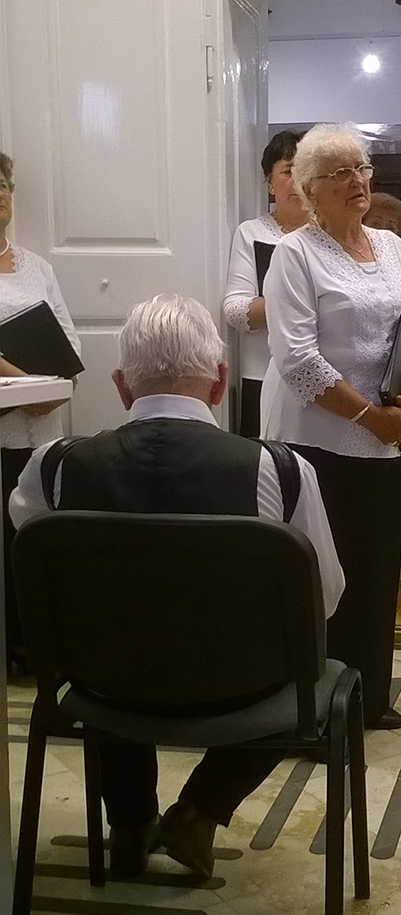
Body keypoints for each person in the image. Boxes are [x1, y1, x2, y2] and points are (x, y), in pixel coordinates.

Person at [10, 294, 344, 881]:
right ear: (220, 382)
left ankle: (129, 823)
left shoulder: (52, 466)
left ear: (121, 386)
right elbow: (325, 598)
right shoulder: (281, 470)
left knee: (113, 628)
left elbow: (44, 582)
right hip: (239, 693)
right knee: (310, 667)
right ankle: (200, 811)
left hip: (102, 687)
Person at [261, 124, 401, 730]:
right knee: (321, 577)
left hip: (386, 438)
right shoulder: (295, 254)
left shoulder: (392, 248)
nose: (358, 181)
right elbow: (298, 359)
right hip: (318, 442)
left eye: (362, 167)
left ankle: (367, 699)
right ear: (309, 189)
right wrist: (372, 417)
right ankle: (313, 706)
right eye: (340, 172)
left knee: (376, 568)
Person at [0, 152, 82, 671]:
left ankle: (38, 644)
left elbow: (69, 345)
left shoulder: (38, 268)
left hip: (43, 425)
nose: (0, 194)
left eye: (4, 184)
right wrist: (27, 381)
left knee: (36, 533)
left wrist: (57, 385)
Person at [223, 129, 309, 436]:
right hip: (261, 376)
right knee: (264, 461)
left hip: (326, 378)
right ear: (270, 182)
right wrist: (296, 299)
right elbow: (235, 311)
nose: (298, 180)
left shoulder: (333, 236)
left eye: (306, 170)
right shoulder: (252, 233)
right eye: (288, 171)